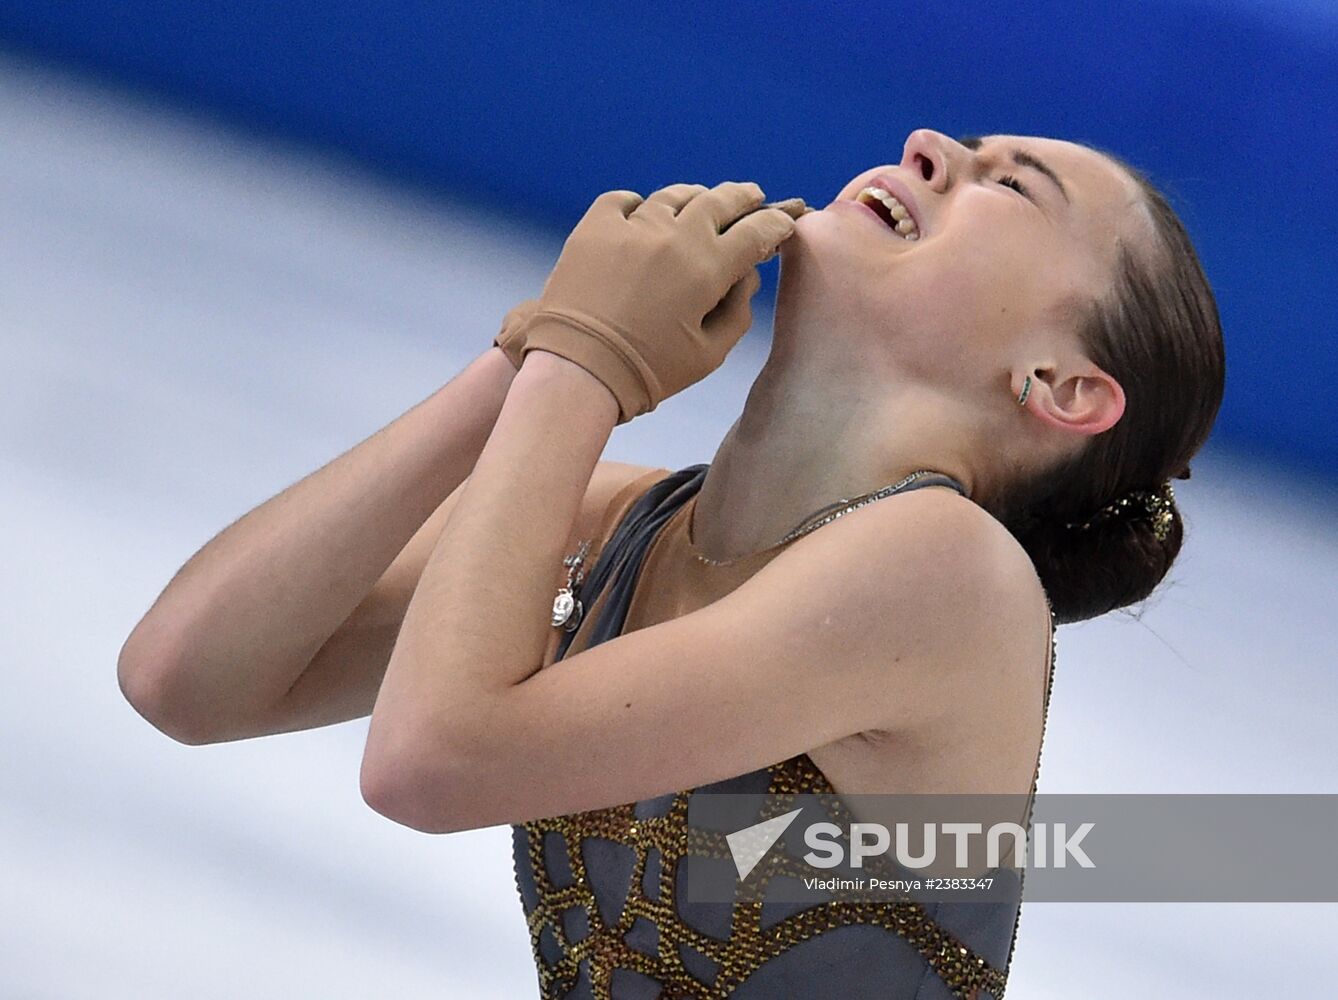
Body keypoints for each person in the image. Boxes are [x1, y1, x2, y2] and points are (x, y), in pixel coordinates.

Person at [118, 129, 1226, 998]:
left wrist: (580, 367)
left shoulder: (952, 576)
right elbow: (187, 675)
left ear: (1062, 385)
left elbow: (429, 764)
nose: (931, 144)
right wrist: (529, 354)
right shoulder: (622, 523)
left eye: (1012, 184)